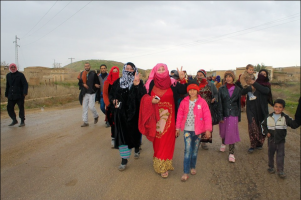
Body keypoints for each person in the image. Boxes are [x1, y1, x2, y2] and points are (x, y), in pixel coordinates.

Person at [140, 63, 187, 178]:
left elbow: (184, 90)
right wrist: (151, 100)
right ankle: (159, 164)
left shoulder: (173, 83)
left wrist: (182, 80)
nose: (161, 71)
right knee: (158, 142)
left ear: (166, 71)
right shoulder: (150, 83)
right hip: (155, 119)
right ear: (155, 71)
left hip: (170, 120)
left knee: (168, 142)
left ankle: (164, 166)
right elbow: (143, 97)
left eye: (163, 69)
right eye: (159, 69)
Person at [109, 62, 145, 171]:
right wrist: (113, 100)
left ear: (134, 71)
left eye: (131, 69)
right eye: (127, 68)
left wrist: (137, 85)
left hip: (135, 113)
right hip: (121, 114)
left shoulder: (139, 81)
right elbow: (112, 94)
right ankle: (124, 160)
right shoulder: (118, 82)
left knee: (135, 133)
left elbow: (142, 96)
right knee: (123, 136)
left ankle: (137, 148)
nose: (129, 70)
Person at [175, 80, 211, 182]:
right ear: (188, 91)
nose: (192, 92)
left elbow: (207, 116)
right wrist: (177, 128)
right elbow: (179, 116)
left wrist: (208, 129)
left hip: (198, 131)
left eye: (194, 90)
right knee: (187, 151)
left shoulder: (202, 102)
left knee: (194, 151)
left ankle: (192, 166)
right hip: (187, 130)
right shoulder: (184, 102)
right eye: (190, 90)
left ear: (197, 90)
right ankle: (185, 172)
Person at [261, 99, 299, 178]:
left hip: (281, 141)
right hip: (271, 140)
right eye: (276, 106)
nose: (277, 108)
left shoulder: (285, 118)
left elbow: (293, 124)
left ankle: (280, 170)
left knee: (280, 155)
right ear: (273, 107)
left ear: (283, 108)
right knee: (271, 154)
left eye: (280, 107)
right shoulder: (268, 117)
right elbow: (263, 125)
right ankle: (271, 167)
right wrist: (266, 132)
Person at [241, 68, 272, 153]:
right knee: (252, 127)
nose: (262, 75)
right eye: (261, 73)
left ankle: (260, 143)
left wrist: (254, 83)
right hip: (251, 109)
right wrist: (249, 87)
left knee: (261, 127)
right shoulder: (251, 84)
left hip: (262, 110)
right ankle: (253, 144)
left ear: (266, 76)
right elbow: (242, 91)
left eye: (264, 74)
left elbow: (265, 91)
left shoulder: (266, 85)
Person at [218, 71, 241, 163]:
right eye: (226, 76)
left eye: (230, 76)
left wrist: (239, 116)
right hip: (224, 113)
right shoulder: (221, 89)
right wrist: (220, 116)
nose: (228, 78)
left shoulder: (238, 89)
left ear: (233, 78)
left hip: (233, 114)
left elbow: (239, 104)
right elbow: (219, 103)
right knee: (223, 131)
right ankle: (223, 142)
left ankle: (231, 153)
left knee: (231, 133)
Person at [195, 69, 218, 150]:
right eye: (198, 75)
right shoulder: (196, 84)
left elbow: (216, 93)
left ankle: (204, 142)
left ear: (204, 75)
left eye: (201, 75)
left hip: (208, 108)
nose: (199, 76)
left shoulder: (211, 85)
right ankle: (197, 141)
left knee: (206, 124)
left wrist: (214, 98)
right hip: (197, 109)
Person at [78, 62, 100, 127]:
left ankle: (96, 116)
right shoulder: (82, 74)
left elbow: (97, 83)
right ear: (84, 67)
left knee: (91, 106)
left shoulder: (93, 74)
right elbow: (79, 83)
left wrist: (95, 86)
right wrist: (83, 84)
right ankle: (85, 122)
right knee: (84, 107)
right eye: (85, 66)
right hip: (85, 93)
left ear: (90, 66)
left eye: (88, 66)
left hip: (92, 93)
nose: (86, 67)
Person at [103, 66, 120, 148]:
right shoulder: (107, 82)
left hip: (119, 106)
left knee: (119, 122)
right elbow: (105, 94)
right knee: (113, 123)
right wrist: (108, 104)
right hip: (110, 106)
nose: (115, 72)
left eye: (117, 71)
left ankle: (119, 138)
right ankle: (113, 138)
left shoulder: (121, 82)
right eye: (114, 71)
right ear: (111, 72)